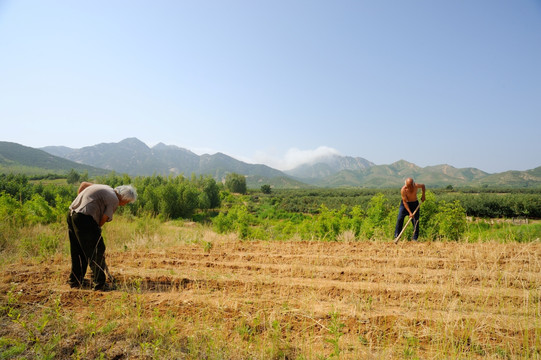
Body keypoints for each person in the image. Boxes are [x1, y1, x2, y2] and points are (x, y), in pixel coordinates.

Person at [67, 182, 137, 290]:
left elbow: (84, 184)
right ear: (123, 198)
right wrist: (96, 229)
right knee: (97, 249)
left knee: (78, 250)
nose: (124, 205)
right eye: (126, 202)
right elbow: (103, 219)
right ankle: (99, 284)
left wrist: (82, 202)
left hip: (72, 214)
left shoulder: (107, 188)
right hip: (84, 218)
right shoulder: (114, 199)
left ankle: (75, 281)